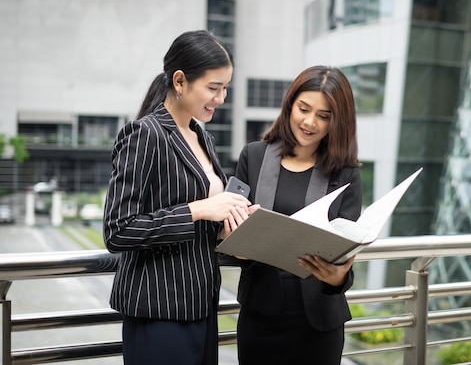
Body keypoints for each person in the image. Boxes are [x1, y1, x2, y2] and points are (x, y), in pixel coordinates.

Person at [103, 30, 252, 365]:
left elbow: (204, 222)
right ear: (180, 81)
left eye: (225, 88)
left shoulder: (202, 136)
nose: (221, 98)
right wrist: (198, 210)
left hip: (202, 304)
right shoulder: (145, 134)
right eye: (213, 88)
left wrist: (231, 221)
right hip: (160, 311)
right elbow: (118, 230)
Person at [231, 65, 362, 365]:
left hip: (319, 321)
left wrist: (339, 275)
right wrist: (237, 240)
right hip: (260, 315)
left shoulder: (347, 173)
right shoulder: (253, 156)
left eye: (324, 116)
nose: (310, 122)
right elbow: (234, 228)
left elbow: (347, 245)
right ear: (290, 104)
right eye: (303, 108)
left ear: (336, 121)